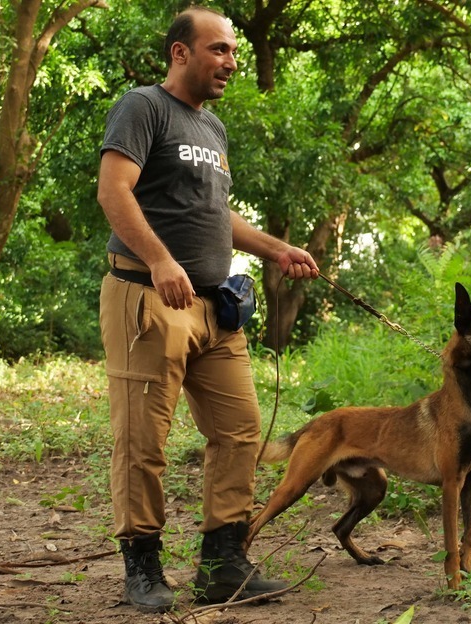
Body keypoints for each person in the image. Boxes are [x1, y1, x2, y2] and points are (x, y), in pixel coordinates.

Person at [96, 5, 319, 612]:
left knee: (241, 430)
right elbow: (113, 192)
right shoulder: (143, 107)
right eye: (218, 49)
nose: (230, 61)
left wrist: (276, 249)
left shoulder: (213, 129)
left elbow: (217, 215)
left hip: (214, 308)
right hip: (147, 298)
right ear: (180, 52)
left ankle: (223, 562)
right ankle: (142, 567)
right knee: (143, 439)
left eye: (234, 52)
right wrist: (163, 261)